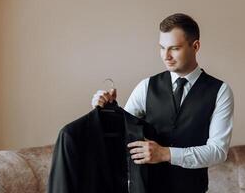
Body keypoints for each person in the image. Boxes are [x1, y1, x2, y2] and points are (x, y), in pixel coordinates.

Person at [91, 13, 234, 193]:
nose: (166, 56)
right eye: (162, 47)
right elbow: (121, 133)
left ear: (195, 46)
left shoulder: (220, 91)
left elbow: (218, 151)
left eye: (174, 48)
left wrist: (166, 154)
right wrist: (107, 109)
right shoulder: (146, 86)